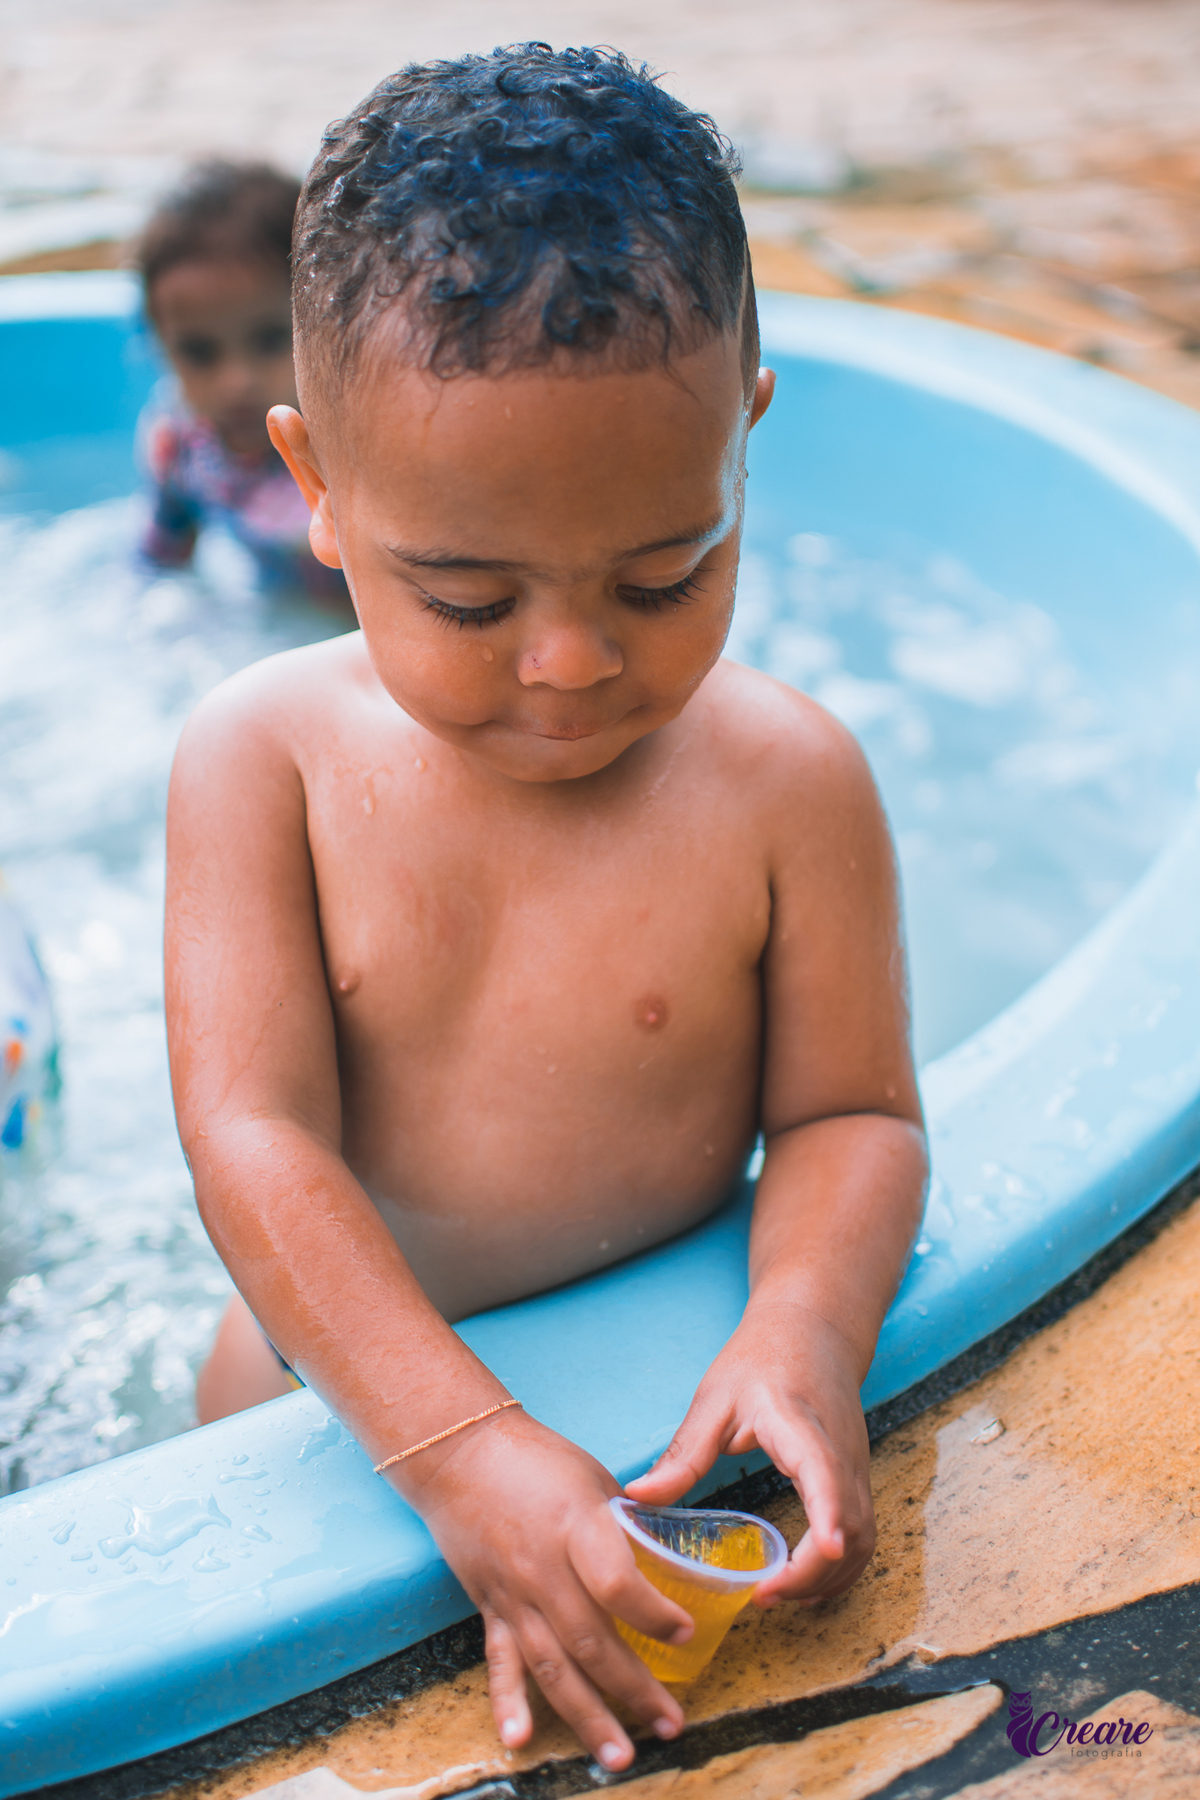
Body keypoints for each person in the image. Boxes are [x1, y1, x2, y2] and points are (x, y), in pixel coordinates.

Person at [165, 45, 927, 1775]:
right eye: (467, 596)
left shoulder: (790, 782)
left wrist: (804, 1329)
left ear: (744, 433)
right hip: (317, 1411)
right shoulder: (259, 759)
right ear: (319, 489)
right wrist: (456, 1448)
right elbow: (252, 1139)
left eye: (666, 574)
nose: (573, 662)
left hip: (648, 1412)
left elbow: (855, 1111)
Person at [135, 159, 348, 604]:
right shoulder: (181, 442)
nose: (236, 382)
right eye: (199, 352)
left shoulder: (348, 441)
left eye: (270, 339)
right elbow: (160, 559)